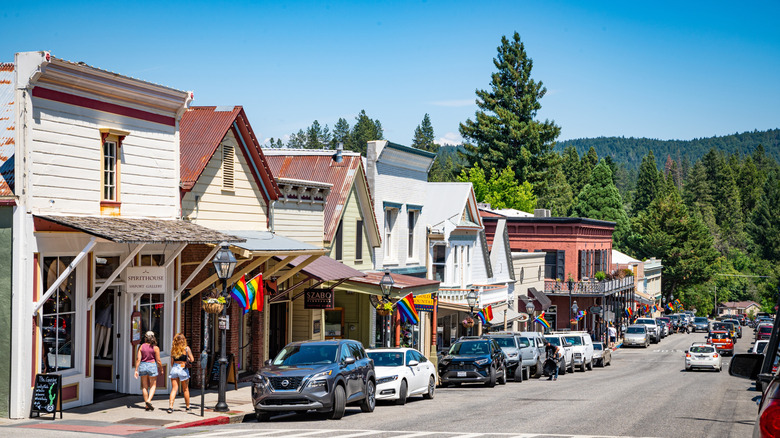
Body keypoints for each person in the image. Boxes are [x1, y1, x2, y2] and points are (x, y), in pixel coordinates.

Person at [134, 331, 162, 411]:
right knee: (153, 385)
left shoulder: (141, 346)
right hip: (152, 366)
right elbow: (159, 360)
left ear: (145, 338)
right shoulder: (155, 348)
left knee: (144, 387)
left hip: (143, 365)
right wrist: (161, 369)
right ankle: (149, 401)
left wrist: (136, 370)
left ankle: (146, 404)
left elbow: (138, 359)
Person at [167, 333, 194, 413]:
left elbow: (172, 363)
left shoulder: (173, 349)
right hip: (183, 368)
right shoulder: (186, 349)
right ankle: (188, 407)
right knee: (185, 389)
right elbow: (192, 359)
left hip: (175, 368)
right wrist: (188, 358)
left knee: (174, 389)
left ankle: (170, 407)